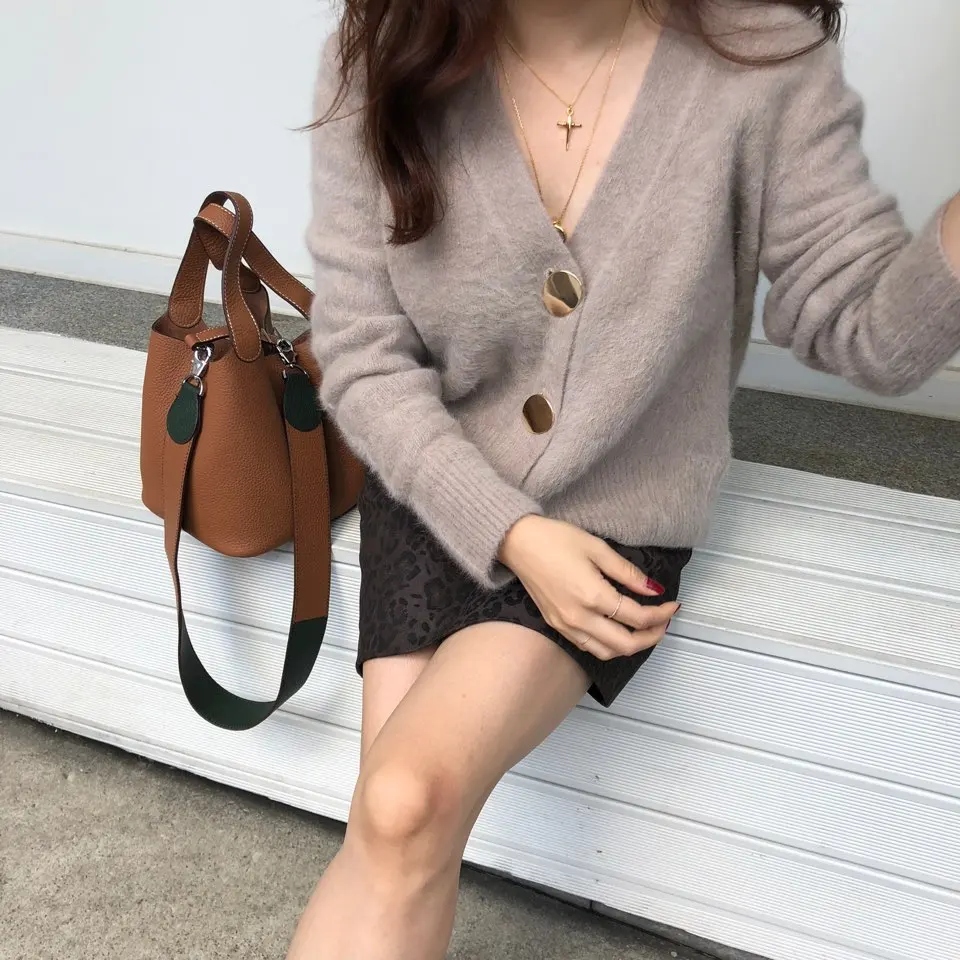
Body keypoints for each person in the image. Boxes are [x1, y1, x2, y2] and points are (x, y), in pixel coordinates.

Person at [288, 1, 960, 956]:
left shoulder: (760, 57)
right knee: (397, 821)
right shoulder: (384, 53)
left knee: (402, 803)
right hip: (435, 480)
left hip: (612, 511)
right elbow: (361, 356)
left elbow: (869, 332)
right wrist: (513, 533)